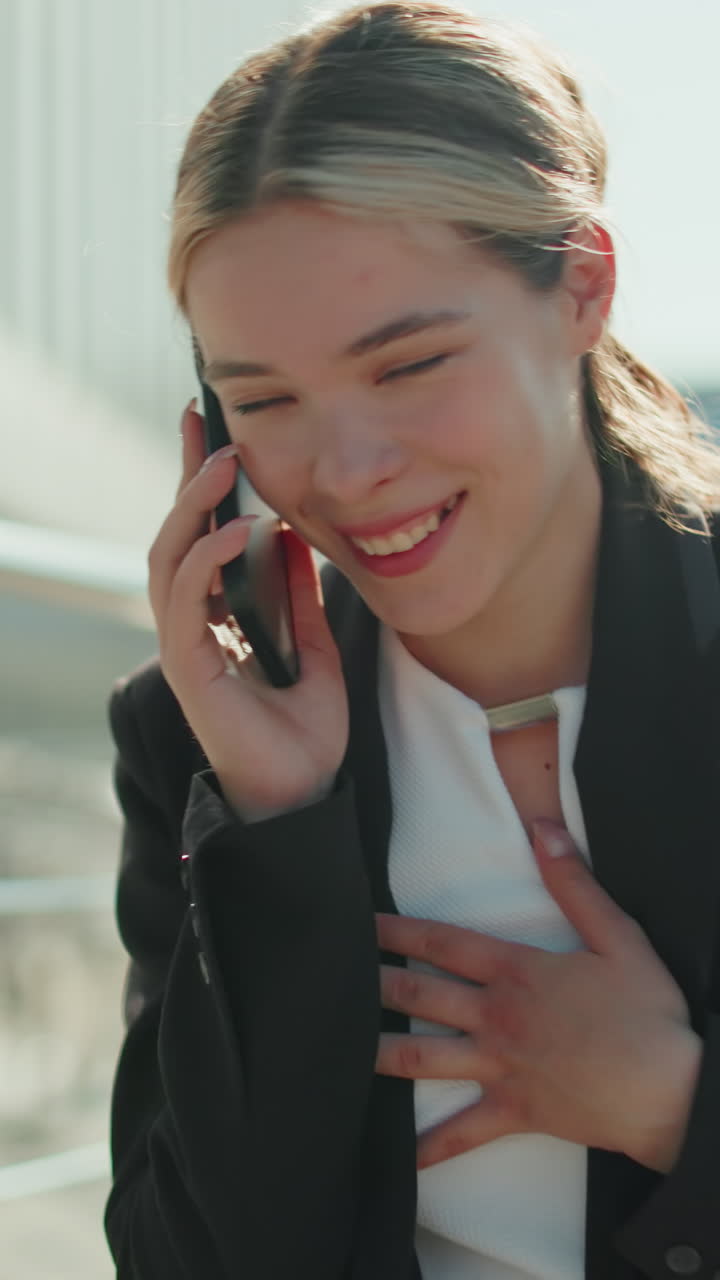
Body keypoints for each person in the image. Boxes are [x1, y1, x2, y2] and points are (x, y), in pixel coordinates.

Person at [104, 3, 720, 1277]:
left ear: (584, 288)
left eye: (408, 365)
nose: (350, 471)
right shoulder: (199, 738)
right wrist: (280, 830)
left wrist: (670, 1107)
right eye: (264, 397)